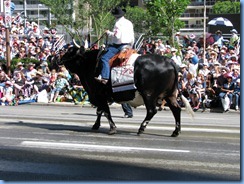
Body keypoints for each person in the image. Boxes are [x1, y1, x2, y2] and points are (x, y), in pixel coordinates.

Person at [95, 7, 134, 84]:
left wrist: (108, 32)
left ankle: (105, 77)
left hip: (119, 45)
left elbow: (117, 36)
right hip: (129, 44)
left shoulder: (118, 24)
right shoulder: (129, 22)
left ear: (115, 15)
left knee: (104, 58)